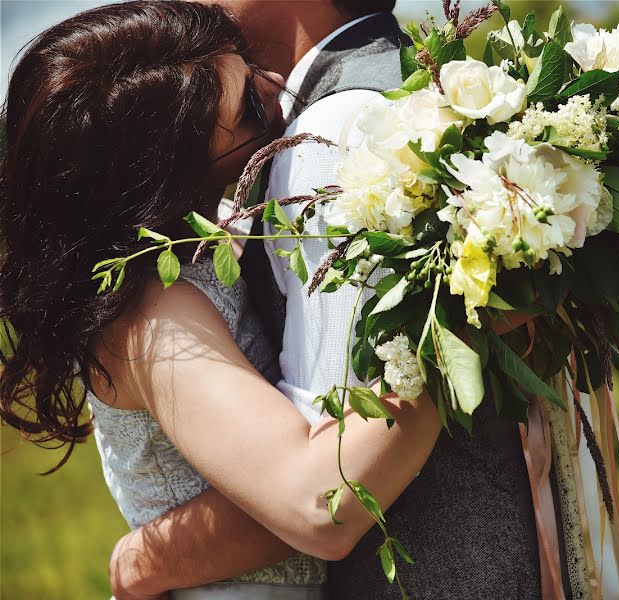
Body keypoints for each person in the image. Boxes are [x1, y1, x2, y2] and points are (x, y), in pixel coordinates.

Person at [109, 1, 551, 599]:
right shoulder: (407, 85)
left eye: (249, 109)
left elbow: (326, 487)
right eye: (244, 109)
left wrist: (148, 556)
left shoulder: (332, 130)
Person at [0, 2, 441, 598]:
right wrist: (463, 319)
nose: (281, 95)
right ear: (165, 179)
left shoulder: (192, 257)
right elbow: (317, 506)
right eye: (251, 110)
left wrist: (147, 558)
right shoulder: (152, 318)